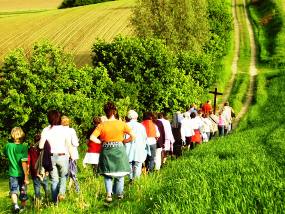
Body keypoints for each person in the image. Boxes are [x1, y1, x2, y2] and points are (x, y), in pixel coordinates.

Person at [90, 102, 135, 203]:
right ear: (115, 111)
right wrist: (125, 141)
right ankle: (119, 195)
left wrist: (100, 142)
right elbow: (133, 136)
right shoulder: (122, 124)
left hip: (106, 149)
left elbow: (92, 137)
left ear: (105, 112)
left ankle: (109, 195)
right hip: (119, 149)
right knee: (120, 173)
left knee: (107, 174)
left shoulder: (102, 125)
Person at [39, 110, 73, 203]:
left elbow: (41, 146)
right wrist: (72, 156)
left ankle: (55, 202)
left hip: (50, 157)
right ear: (59, 118)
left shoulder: (46, 130)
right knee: (63, 177)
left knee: (54, 180)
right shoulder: (64, 129)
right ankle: (61, 193)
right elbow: (69, 144)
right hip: (63, 156)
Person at [4, 127, 29, 213]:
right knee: (23, 190)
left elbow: (5, 154)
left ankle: (15, 205)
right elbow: (24, 162)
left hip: (12, 173)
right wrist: (26, 176)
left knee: (13, 190)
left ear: (12, 135)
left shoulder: (8, 146)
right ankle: (23, 207)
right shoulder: (24, 146)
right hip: (22, 173)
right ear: (22, 135)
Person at [125, 110, 148, 182]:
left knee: (128, 164)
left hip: (128, 148)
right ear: (136, 117)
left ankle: (130, 179)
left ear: (128, 117)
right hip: (139, 148)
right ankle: (136, 181)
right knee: (138, 165)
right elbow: (145, 137)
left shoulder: (125, 125)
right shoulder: (141, 126)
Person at [28, 133, 51, 206]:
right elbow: (47, 159)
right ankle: (48, 200)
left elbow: (29, 160)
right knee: (46, 186)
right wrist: (47, 170)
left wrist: (28, 169)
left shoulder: (31, 149)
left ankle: (38, 203)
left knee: (37, 188)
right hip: (43, 170)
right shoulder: (44, 149)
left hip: (34, 171)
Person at [61, 116, 80, 193]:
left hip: (63, 154)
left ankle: (64, 189)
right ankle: (77, 189)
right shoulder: (71, 130)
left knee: (63, 173)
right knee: (73, 173)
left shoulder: (59, 131)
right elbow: (75, 143)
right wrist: (78, 142)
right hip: (72, 154)